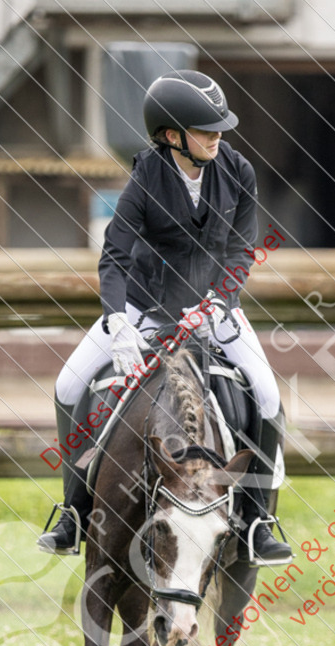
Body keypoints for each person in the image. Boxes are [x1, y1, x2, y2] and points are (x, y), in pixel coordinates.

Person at [38, 69, 291, 566]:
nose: (217, 137)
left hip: (215, 309)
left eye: (219, 128)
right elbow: (115, 255)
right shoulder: (146, 178)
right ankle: (74, 511)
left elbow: (242, 250)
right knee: (68, 385)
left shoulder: (238, 170)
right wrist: (117, 322)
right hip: (144, 307)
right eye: (205, 130)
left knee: (267, 394)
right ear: (172, 136)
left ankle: (258, 520)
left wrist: (218, 301)